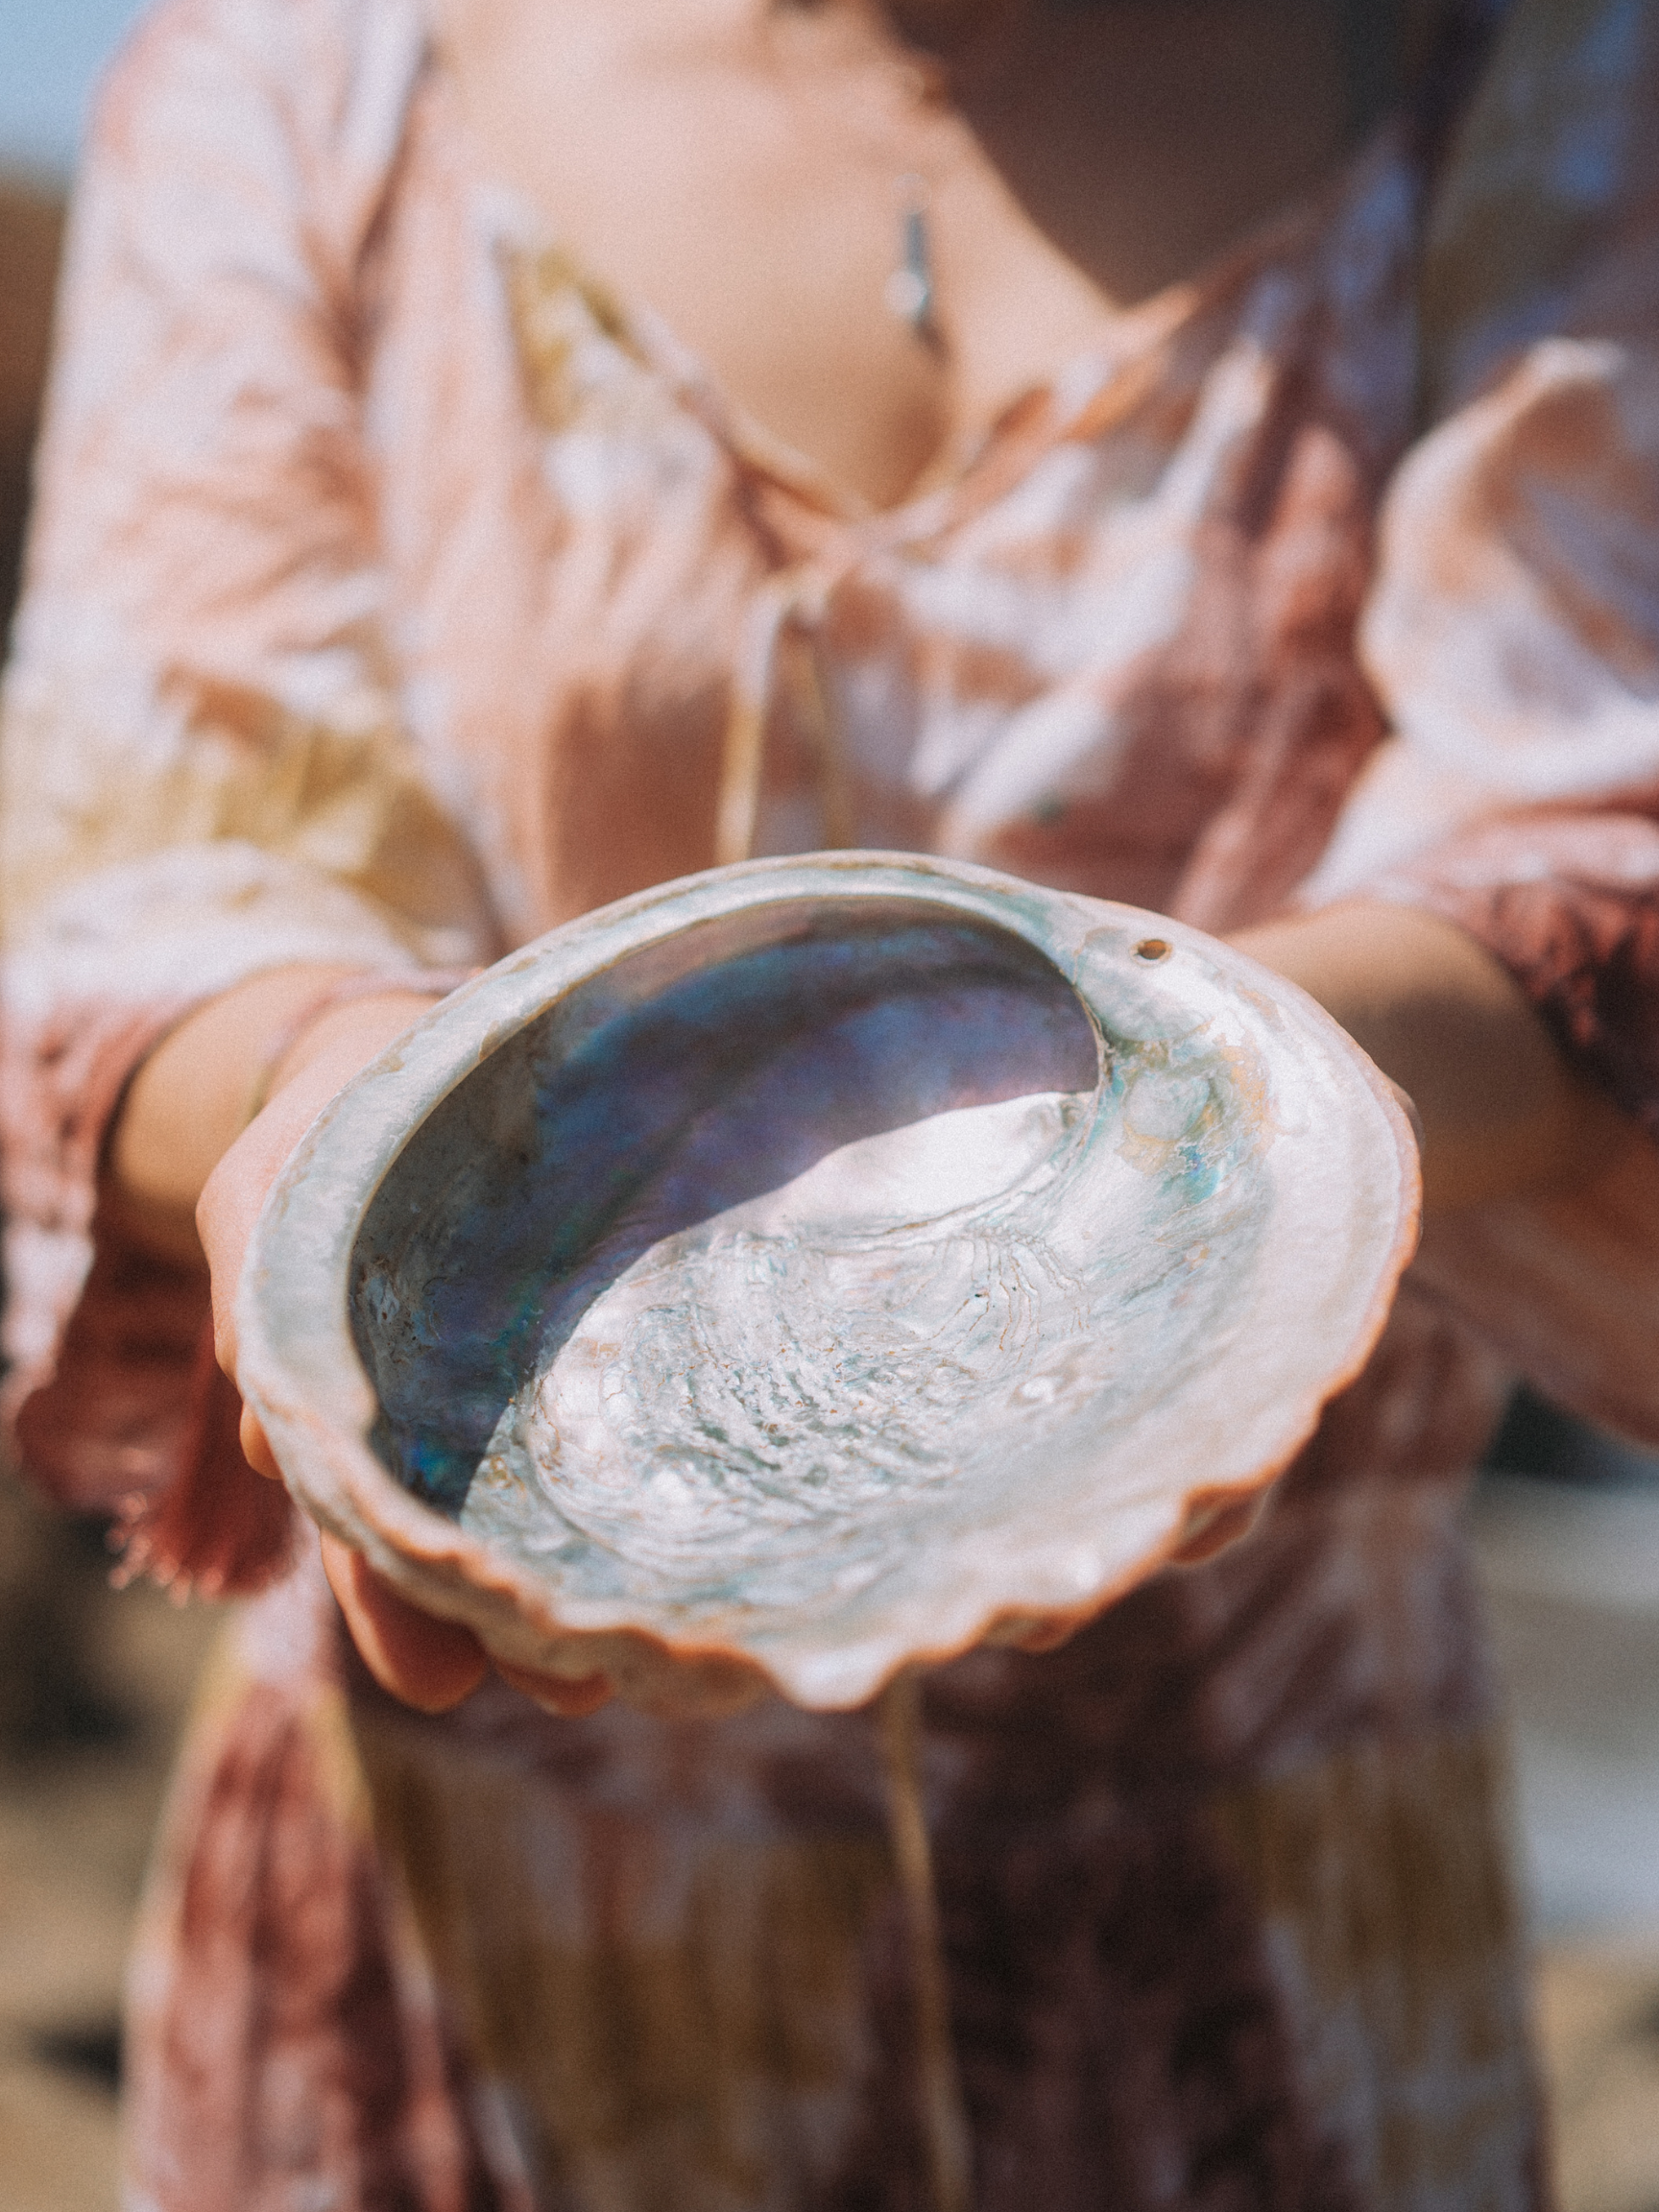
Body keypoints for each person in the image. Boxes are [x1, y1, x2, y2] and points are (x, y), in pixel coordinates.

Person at [3, 0, 1658, 2201]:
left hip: (1255, 1916)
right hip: (487, 1913)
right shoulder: (308, 81)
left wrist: (1204, 1120)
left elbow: (1597, 849)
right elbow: (142, 881)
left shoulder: (1542, 74)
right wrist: (320, 1109)